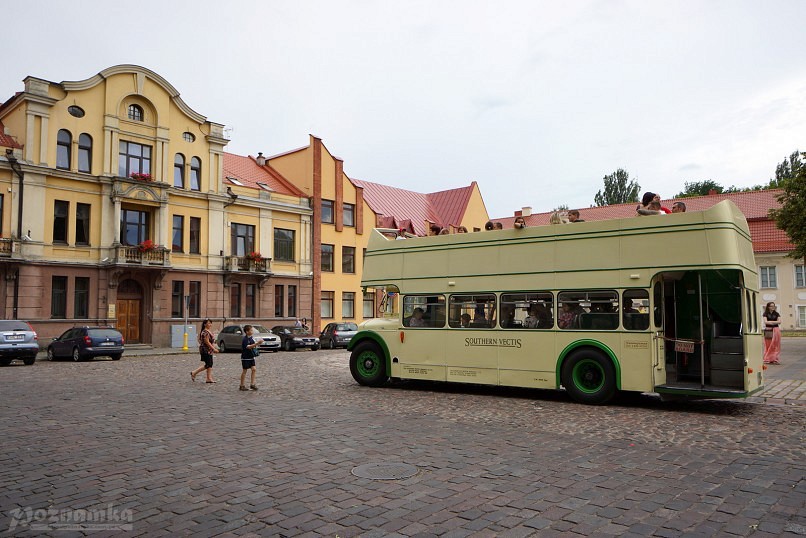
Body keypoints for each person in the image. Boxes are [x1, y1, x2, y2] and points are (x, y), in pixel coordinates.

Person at [191, 319, 219, 383]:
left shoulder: (208, 331)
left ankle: (208, 378)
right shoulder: (205, 332)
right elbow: (207, 342)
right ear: (205, 324)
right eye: (209, 323)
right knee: (208, 364)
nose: (210, 324)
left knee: (210, 364)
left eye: (210, 323)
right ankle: (194, 372)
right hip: (206, 350)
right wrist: (214, 349)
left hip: (208, 350)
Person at [239, 325, 262, 391]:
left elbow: (254, 345)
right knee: (245, 370)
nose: (252, 331)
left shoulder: (252, 338)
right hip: (245, 357)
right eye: (251, 330)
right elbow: (248, 347)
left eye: (252, 330)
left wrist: (258, 344)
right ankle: (242, 385)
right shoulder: (245, 339)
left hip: (251, 357)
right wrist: (257, 343)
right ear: (247, 332)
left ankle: (252, 384)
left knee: (254, 369)